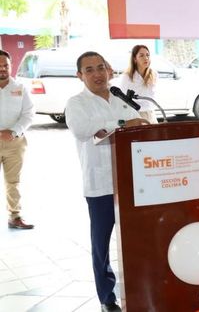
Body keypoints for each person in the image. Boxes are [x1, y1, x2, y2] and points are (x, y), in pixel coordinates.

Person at [65, 52, 149, 312]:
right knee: (101, 244)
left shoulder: (119, 99)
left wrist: (127, 122)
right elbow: (83, 128)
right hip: (99, 185)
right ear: (80, 75)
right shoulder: (76, 103)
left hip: (130, 183)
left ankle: (139, 289)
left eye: (101, 67)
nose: (97, 73)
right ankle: (107, 297)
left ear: (109, 70)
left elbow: (141, 124)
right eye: (89, 70)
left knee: (136, 240)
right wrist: (124, 123)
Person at [0, 50, 35, 229]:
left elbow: (28, 114)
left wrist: (13, 131)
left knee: (13, 181)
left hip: (15, 143)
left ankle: (15, 216)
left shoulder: (20, 88)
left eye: (6, 65)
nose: (2, 69)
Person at [118, 44, 157, 123]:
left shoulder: (153, 74)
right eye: (141, 56)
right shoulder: (127, 76)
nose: (146, 58)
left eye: (147, 55)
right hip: (135, 115)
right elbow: (122, 99)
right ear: (135, 59)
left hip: (151, 113)